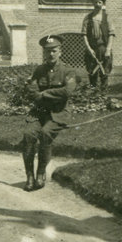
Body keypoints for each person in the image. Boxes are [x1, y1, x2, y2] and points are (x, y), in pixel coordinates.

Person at [20, 34, 77, 190]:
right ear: (44, 53)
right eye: (47, 51)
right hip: (39, 112)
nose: (50, 54)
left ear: (60, 52)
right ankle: (29, 176)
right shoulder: (39, 70)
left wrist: (45, 93)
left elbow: (67, 91)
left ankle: (40, 173)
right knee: (28, 135)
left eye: (54, 50)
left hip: (58, 113)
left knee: (45, 134)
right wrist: (38, 94)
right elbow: (32, 90)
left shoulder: (68, 71)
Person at [81, 0, 114, 88]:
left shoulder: (107, 17)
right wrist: (89, 49)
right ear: (93, 3)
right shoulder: (88, 18)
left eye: (99, 2)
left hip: (103, 47)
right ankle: (93, 92)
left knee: (104, 71)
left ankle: (103, 92)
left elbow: (111, 34)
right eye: (95, 2)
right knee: (92, 71)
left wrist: (108, 50)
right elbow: (84, 35)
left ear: (103, 4)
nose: (97, 4)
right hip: (92, 48)